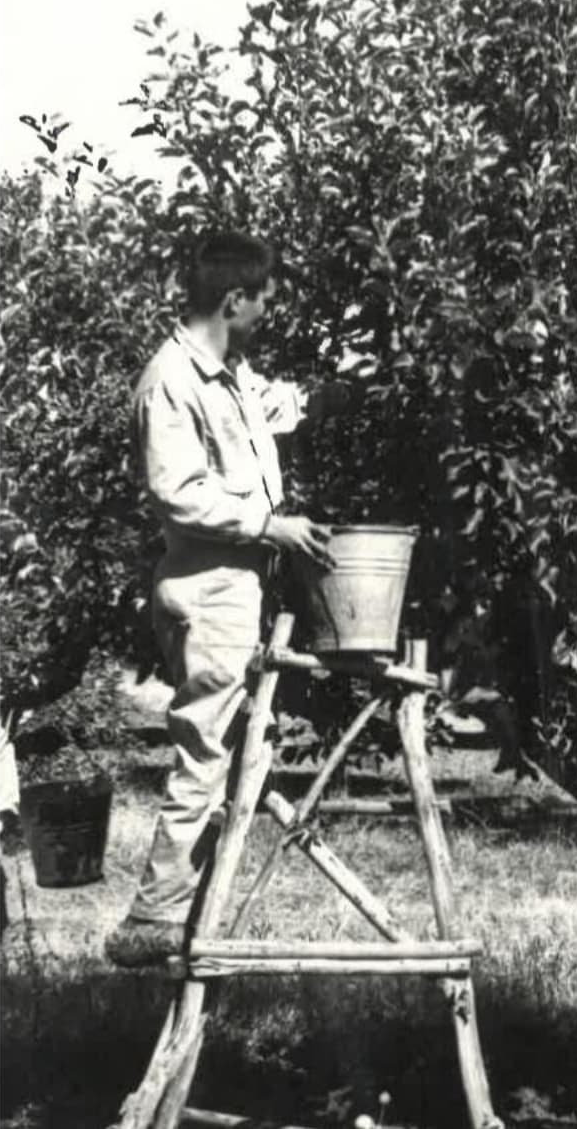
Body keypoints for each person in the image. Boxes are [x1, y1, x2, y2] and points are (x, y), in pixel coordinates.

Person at [106, 232, 343, 967]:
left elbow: (273, 407)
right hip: (208, 586)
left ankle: (193, 906)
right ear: (233, 300)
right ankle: (153, 919)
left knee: (232, 750)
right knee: (204, 749)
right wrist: (271, 524)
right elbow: (178, 494)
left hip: (235, 584)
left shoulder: (227, 375)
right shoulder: (170, 380)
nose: (269, 309)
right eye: (264, 297)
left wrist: (344, 388)